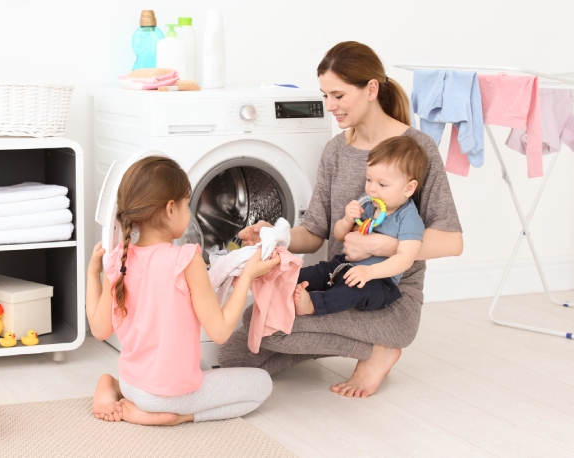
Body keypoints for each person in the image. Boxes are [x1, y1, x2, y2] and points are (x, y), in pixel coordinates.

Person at [219, 41, 463, 398]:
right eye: (325, 95)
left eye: (338, 95)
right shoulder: (336, 151)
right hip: (337, 285)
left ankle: (379, 349)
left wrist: (383, 244)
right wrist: (276, 235)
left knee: (271, 329)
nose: (329, 106)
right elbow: (315, 233)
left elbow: (453, 241)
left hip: (388, 296)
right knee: (235, 353)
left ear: (371, 90)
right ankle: (344, 336)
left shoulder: (417, 148)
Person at [86, 156, 278, 425]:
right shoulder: (187, 260)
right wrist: (246, 274)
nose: (189, 214)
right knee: (261, 385)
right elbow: (220, 332)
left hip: (133, 384)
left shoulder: (119, 258)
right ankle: (177, 417)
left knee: (190, 367)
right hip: (172, 398)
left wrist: (92, 274)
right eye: (188, 205)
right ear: (171, 209)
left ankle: (113, 385)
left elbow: (98, 330)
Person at [294, 136, 427, 317]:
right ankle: (282, 281)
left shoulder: (408, 218)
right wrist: (347, 219)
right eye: (368, 180)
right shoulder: (368, 204)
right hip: (343, 265)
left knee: (355, 292)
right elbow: (340, 235)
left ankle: (313, 305)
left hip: (378, 281)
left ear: (409, 188)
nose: (371, 189)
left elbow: (405, 258)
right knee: (314, 272)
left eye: (381, 184)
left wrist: (369, 272)